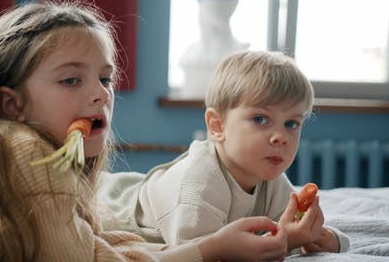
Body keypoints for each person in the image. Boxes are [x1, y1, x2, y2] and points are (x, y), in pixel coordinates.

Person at [0, 1, 289, 261]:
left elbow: (94, 242)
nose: (100, 94)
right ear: (13, 105)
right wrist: (210, 249)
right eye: (71, 80)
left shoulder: (43, 157)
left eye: (105, 78)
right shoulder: (24, 152)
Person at [99, 50, 350, 255]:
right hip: (116, 204)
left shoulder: (271, 179)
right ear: (217, 126)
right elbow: (198, 255)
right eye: (261, 119)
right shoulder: (201, 184)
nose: (281, 137)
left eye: (291, 124)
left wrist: (330, 240)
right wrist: (286, 241)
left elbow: (284, 228)